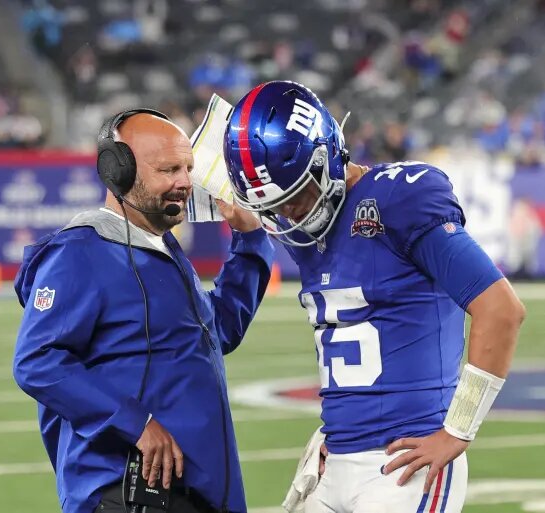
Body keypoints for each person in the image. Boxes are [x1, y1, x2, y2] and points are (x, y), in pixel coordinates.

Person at [222, 81, 526, 513]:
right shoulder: (305, 224)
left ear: (327, 154)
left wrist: (458, 430)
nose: (291, 214)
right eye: (278, 207)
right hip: (333, 459)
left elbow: (501, 310)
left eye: (298, 197)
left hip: (401, 464)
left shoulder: (399, 197)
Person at [13, 109, 274, 513]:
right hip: (127, 491)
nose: (185, 182)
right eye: (169, 169)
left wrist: (250, 240)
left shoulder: (162, 250)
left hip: (191, 488)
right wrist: (134, 423)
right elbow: (37, 362)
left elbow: (216, 332)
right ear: (118, 170)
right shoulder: (79, 253)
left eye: (188, 168)